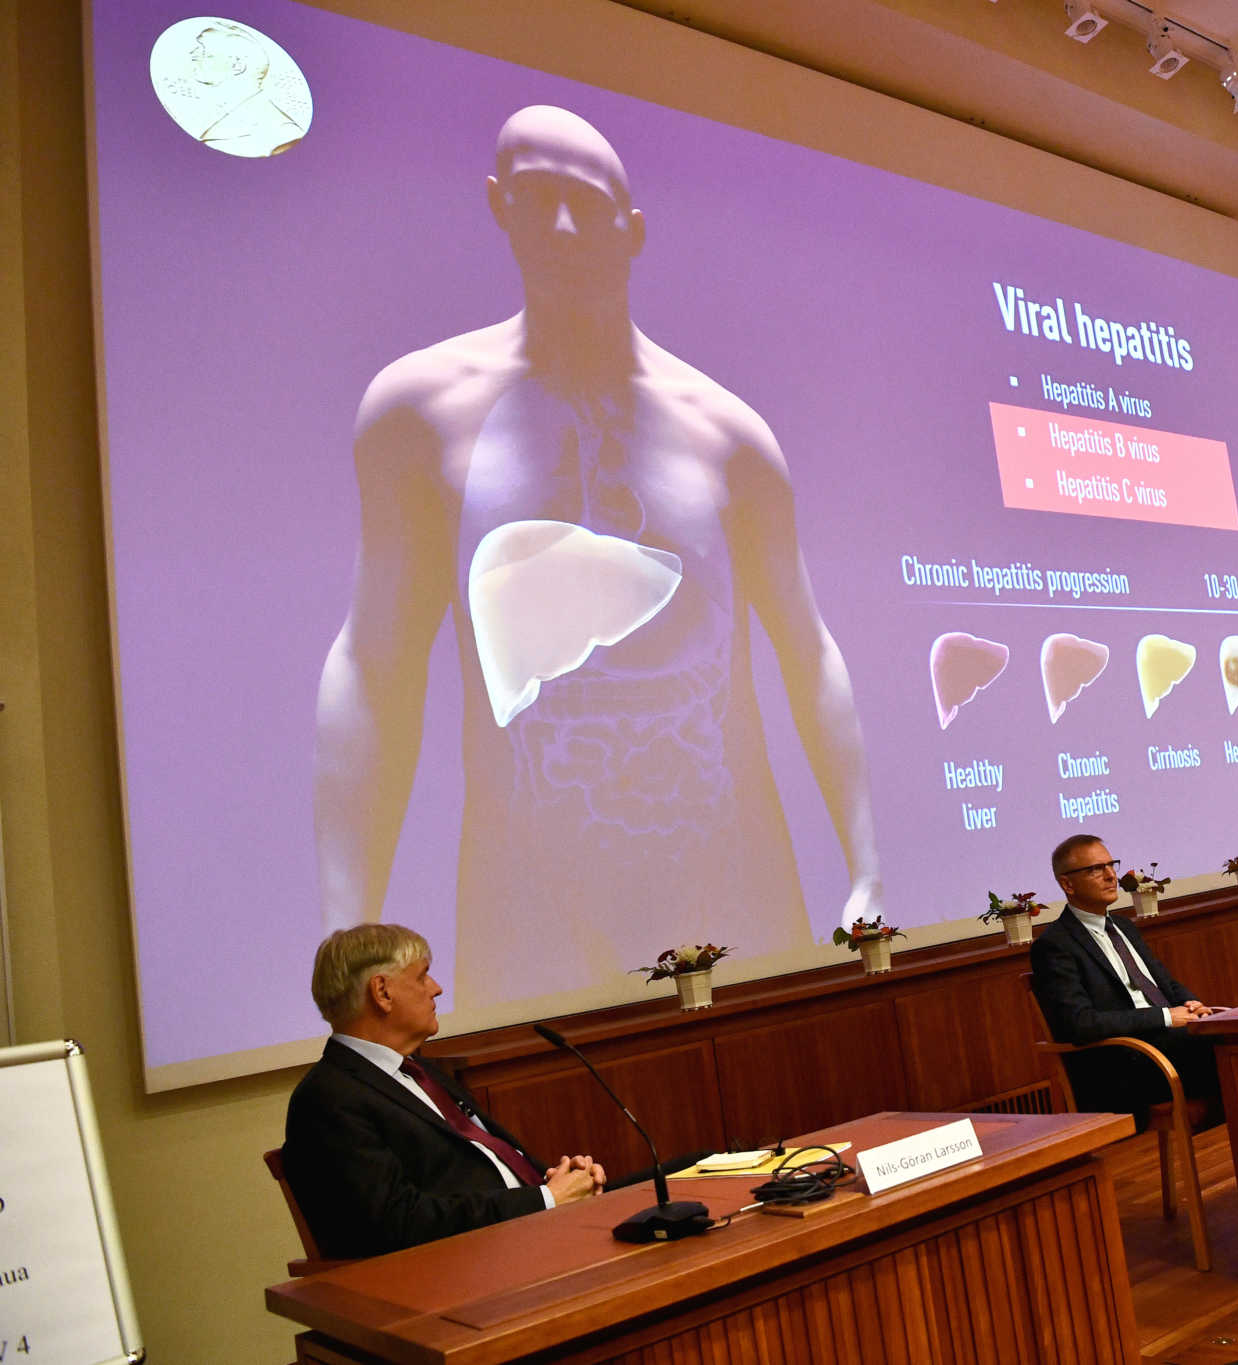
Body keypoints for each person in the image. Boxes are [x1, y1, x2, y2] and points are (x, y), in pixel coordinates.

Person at [313, 105, 881, 1010]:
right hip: (528, 883)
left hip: (728, 863)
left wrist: (867, 867)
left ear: (634, 230)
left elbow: (808, 650)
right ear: (498, 206)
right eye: (538, 199)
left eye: (589, 204)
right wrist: (348, 922)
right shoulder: (419, 413)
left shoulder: (727, 434)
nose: (566, 228)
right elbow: (374, 662)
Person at [283, 924, 605, 1259]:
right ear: (382, 992)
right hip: (471, 1267)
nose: (436, 989)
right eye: (423, 976)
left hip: (528, 1236)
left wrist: (563, 1181)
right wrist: (545, 1199)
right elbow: (395, 1223)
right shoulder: (328, 1099)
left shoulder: (420, 1073)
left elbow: (488, 1157)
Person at [1029, 834, 1222, 1124]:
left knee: (1236, 1035)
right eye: (1096, 869)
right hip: (1124, 1063)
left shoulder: (1124, 926)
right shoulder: (1055, 945)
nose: (1111, 876)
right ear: (1067, 884)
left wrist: (1190, 1004)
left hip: (1168, 1045)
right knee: (1229, 1052)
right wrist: (1166, 1017)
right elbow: (1080, 1024)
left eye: (1111, 865)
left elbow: (1164, 984)